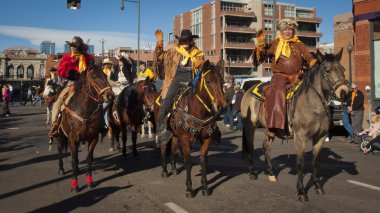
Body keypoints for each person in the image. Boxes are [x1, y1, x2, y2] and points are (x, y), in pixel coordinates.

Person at [252, 19, 317, 137]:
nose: (288, 32)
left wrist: (313, 62)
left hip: (298, 76)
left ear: (293, 31)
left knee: (314, 90)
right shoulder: (274, 43)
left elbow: (309, 58)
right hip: (280, 77)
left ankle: (320, 121)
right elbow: (258, 60)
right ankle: (273, 126)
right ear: (280, 31)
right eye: (285, 29)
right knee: (278, 92)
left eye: (290, 29)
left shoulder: (300, 44)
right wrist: (260, 46)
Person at [154, 29, 205, 142]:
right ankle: (160, 129)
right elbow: (159, 56)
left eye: (187, 39)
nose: (185, 42)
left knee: (207, 97)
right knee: (166, 102)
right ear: (180, 41)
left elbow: (202, 65)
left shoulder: (198, 53)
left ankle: (211, 127)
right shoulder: (174, 51)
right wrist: (159, 43)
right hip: (178, 79)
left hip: (194, 79)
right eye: (183, 40)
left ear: (191, 41)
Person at [48, 36, 94, 137]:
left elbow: (92, 70)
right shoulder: (67, 57)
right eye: (71, 46)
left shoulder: (87, 58)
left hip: (85, 84)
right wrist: (68, 73)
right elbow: (60, 70)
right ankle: (54, 125)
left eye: (75, 46)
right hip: (71, 83)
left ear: (80, 48)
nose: (72, 48)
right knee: (57, 105)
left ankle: (101, 124)